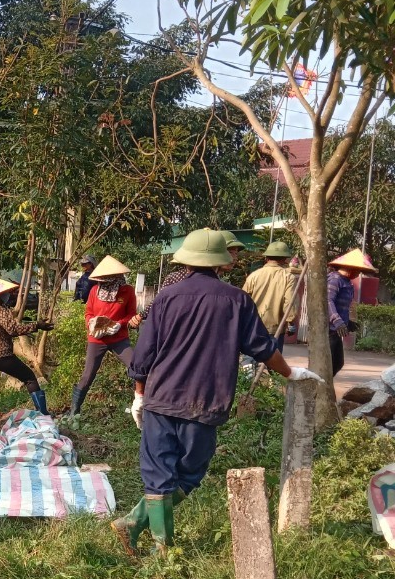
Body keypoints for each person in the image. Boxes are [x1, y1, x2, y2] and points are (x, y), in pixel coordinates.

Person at [111, 229, 321, 556]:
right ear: (221, 263)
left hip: (161, 398)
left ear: (188, 261)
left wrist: (139, 395)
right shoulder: (236, 300)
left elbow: (143, 354)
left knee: (158, 474)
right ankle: (157, 546)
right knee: (191, 472)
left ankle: (143, 531)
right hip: (205, 402)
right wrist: (291, 373)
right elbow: (263, 348)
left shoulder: (166, 297)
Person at [0, 276, 53, 429]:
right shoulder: (0, 309)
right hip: (1, 355)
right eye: (6, 293)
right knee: (29, 378)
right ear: (0, 295)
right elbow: (13, 330)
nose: (8, 296)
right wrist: (36, 326)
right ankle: (43, 415)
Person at [69, 256, 140, 416]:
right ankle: (74, 412)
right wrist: (91, 323)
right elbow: (88, 313)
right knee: (88, 375)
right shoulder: (95, 290)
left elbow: (131, 314)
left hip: (118, 338)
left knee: (137, 367)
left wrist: (118, 324)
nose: (104, 280)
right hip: (97, 338)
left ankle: (142, 406)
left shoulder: (127, 290)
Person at [243, 240, 298, 351]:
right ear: (285, 259)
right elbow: (290, 302)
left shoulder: (254, 275)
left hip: (253, 326)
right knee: (273, 364)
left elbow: (243, 300)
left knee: (251, 364)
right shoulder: (288, 277)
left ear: (266, 258)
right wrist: (291, 323)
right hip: (275, 329)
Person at [327, 249, 374, 376]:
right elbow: (328, 301)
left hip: (335, 331)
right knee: (330, 364)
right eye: (358, 270)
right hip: (329, 330)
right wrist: (337, 321)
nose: (358, 273)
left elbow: (341, 306)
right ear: (350, 268)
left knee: (337, 363)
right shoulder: (335, 279)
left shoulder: (346, 282)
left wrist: (348, 323)